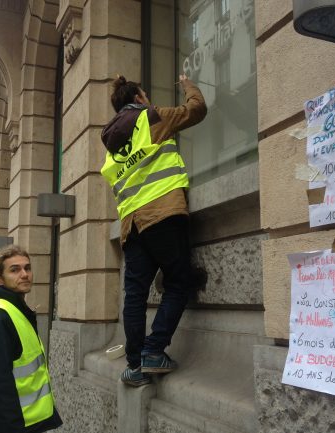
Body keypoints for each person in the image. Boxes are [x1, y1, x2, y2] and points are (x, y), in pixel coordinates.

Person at [100, 74, 207, 386]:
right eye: (145, 94)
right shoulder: (151, 118)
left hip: (131, 227)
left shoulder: (111, 149)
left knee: (134, 296)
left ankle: (135, 367)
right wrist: (188, 84)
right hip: (162, 213)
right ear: (139, 98)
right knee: (178, 282)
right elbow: (196, 110)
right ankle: (153, 351)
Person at [0, 245, 63, 433]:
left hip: (29, 423)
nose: (24, 274)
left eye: (27, 268)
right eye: (15, 270)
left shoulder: (15, 312)